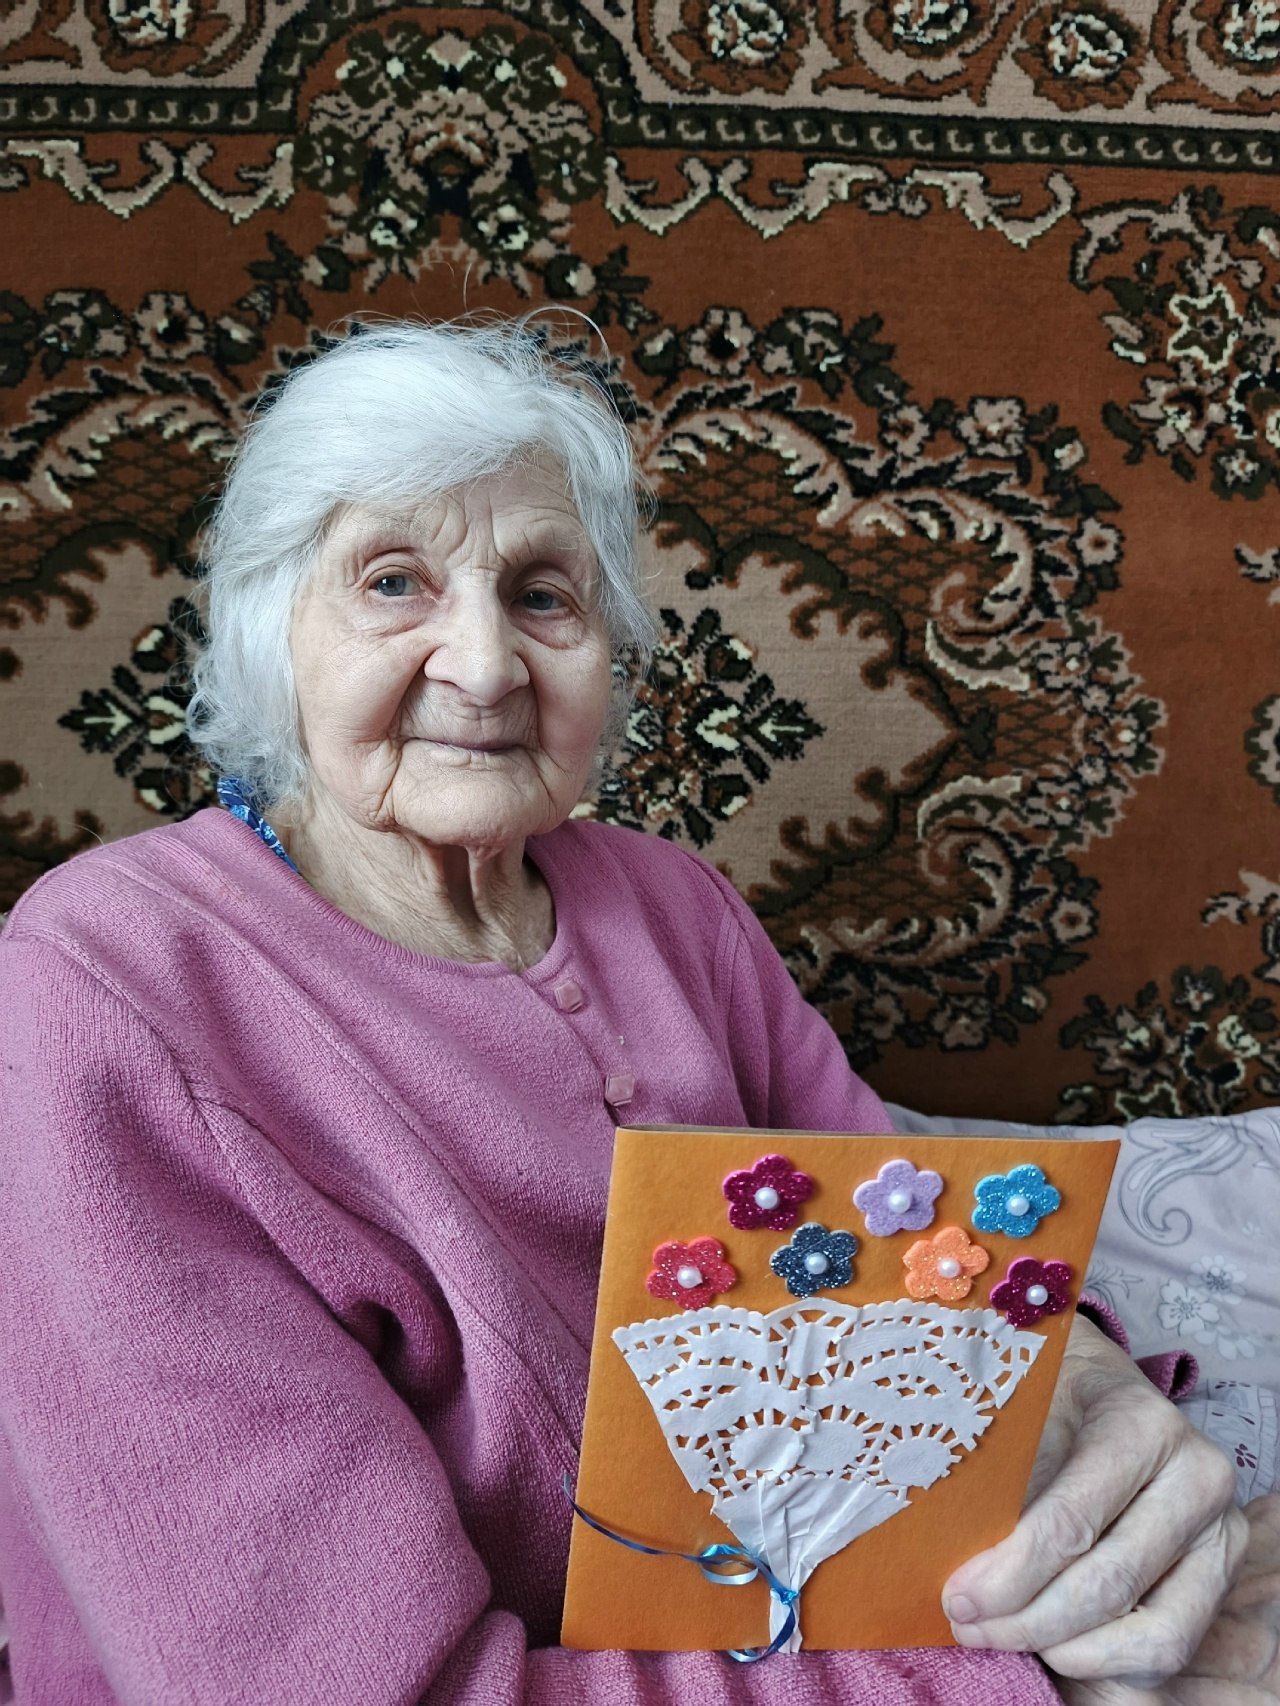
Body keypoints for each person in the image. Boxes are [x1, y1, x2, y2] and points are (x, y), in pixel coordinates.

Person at [0, 319, 1250, 1705]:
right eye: (395, 582)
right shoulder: (109, 989)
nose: (485, 665)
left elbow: (931, 1258)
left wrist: (1085, 1387)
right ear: (268, 630)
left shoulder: (672, 906)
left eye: (545, 596)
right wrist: (1022, 1690)